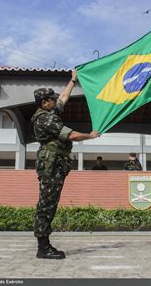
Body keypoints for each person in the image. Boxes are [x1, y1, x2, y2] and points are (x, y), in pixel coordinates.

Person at [32, 69, 99, 259]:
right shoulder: (46, 119)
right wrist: (91, 135)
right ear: (45, 103)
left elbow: (63, 97)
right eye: (51, 99)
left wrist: (73, 80)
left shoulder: (50, 111)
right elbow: (72, 135)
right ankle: (43, 247)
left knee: (49, 203)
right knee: (47, 204)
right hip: (50, 165)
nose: (55, 101)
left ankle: (43, 244)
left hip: (55, 164)